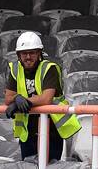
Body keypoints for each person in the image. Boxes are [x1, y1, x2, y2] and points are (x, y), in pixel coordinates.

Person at [5, 30, 79, 161]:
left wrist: (20, 101)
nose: (28, 57)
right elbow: (8, 97)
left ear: (39, 53)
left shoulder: (50, 68)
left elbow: (46, 98)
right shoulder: (15, 69)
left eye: (32, 53)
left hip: (51, 127)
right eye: (24, 53)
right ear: (18, 55)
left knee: (49, 168)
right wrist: (16, 98)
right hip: (28, 128)